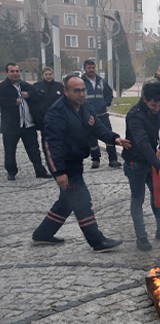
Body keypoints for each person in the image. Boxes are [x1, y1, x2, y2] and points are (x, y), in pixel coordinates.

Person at [32, 75, 130, 251]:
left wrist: (114, 139)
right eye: (76, 91)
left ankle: (42, 234)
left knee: (66, 202)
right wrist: (59, 172)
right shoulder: (56, 113)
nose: (81, 94)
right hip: (65, 166)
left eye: (83, 90)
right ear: (66, 91)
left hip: (76, 161)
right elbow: (51, 145)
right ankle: (97, 241)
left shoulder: (85, 107)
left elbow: (97, 127)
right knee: (81, 200)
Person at [122, 83, 160, 251]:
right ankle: (141, 237)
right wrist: (158, 166)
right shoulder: (134, 115)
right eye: (154, 105)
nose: (157, 109)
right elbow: (142, 143)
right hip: (135, 162)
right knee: (137, 198)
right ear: (145, 99)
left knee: (157, 194)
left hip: (153, 161)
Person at [0, 63, 50, 181]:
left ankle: (40, 171)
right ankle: (11, 172)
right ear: (7, 72)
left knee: (34, 150)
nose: (15, 74)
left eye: (17, 71)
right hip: (11, 126)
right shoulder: (3, 87)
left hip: (28, 124)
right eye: (12, 71)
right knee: (10, 151)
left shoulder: (25, 85)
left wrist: (29, 95)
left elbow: (41, 95)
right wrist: (12, 102)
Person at [81, 59, 118, 169]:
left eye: (93, 68)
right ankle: (95, 159)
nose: (91, 70)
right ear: (85, 68)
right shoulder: (81, 82)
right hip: (88, 115)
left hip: (102, 114)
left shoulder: (101, 81)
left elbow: (109, 93)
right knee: (92, 139)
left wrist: (106, 103)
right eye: (89, 68)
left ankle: (113, 159)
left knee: (109, 136)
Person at [32, 67, 64, 163]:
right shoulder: (37, 86)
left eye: (50, 74)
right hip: (44, 120)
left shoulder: (59, 86)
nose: (48, 76)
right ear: (43, 76)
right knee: (46, 141)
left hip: (58, 119)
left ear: (53, 75)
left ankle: (60, 158)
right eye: (46, 74)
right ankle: (49, 159)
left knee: (60, 140)